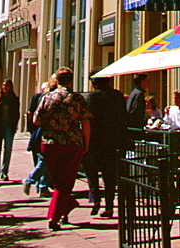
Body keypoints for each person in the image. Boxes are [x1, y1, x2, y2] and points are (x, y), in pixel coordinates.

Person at [34, 65, 91, 231]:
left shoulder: (46, 98)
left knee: (57, 182)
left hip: (50, 144)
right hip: (72, 143)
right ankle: (54, 216)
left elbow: (36, 120)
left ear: (57, 80)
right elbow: (86, 122)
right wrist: (86, 143)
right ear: (71, 81)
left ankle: (64, 210)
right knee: (65, 184)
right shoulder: (77, 98)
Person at [84, 74, 128, 218]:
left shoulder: (92, 98)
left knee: (91, 171)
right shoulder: (118, 96)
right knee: (110, 176)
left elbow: (87, 120)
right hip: (113, 141)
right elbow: (124, 117)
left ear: (94, 83)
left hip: (96, 141)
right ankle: (109, 206)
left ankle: (96, 198)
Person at [23, 78, 55, 196]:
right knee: (43, 160)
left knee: (46, 161)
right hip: (45, 134)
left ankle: (42, 186)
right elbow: (34, 116)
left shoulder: (45, 98)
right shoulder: (45, 98)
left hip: (46, 134)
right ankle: (33, 181)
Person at [0, 78, 20, 182]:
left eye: (7, 86)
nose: (5, 88)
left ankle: (4, 172)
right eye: (3, 85)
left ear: (10, 87)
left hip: (8, 126)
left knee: (7, 149)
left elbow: (16, 114)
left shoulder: (14, 99)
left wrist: (14, 127)